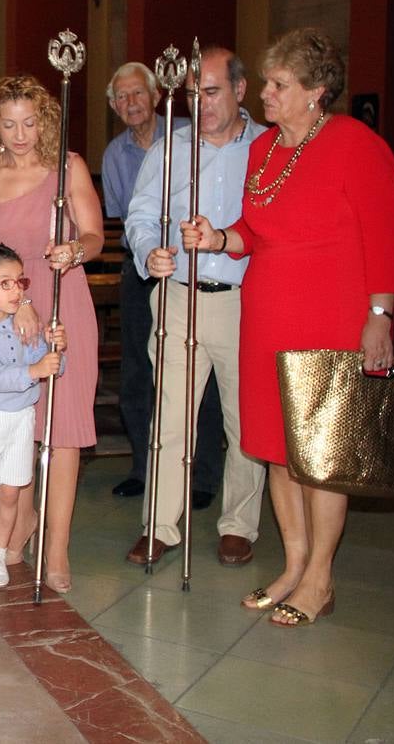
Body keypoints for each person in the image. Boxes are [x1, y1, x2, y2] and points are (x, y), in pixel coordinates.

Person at [182, 28, 394, 626]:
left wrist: (379, 316)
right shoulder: (265, 150)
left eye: (280, 85)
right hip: (268, 313)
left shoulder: (357, 145)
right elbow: (257, 231)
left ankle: (321, 579)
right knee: (277, 452)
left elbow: (386, 237)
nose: (267, 94)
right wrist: (221, 237)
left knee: (319, 455)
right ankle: (294, 563)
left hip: (331, 315)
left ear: (317, 91)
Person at [123, 47, 268, 567]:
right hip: (178, 297)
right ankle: (159, 526)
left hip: (243, 300)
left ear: (240, 90)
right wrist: (150, 251)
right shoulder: (172, 149)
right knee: (171, 418)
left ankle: (238, 524)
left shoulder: (266, 148)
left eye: (211, 92)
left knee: (244, 420)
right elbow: (141, 216)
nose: (200, 104)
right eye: (191, 95)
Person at [0, 74, 102, 593]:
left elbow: (92, 236)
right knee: (17, 426)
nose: (20, 134)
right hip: (8, 310)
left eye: (29, 122)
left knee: (63, 433)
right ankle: (15, 529)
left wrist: (75, 250)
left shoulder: (67, 168)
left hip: (65, 302)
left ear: (44, 121)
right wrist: (20, 299)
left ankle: (58, 547)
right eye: (8, 124)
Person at [101, 63, 225, 503]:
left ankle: (204, 475)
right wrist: (146, 253)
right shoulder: (115, 154)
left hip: (195, 268)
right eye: (121, 97)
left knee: (202, 375)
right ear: (114, 106)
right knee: (139, 369)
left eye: (137, 94)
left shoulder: (193, 136)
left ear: (156, 96)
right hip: (141, 268)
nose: (130, 103)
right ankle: (145, 466)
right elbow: (123, 214)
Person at [0, 244, 65, 600]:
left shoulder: (24, 325)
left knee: (10, 495)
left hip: (21, 420)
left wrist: (54, 350)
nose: (16, 290)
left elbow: (51, 367)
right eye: (4, 283)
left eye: (19, 281)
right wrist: (33, 370)